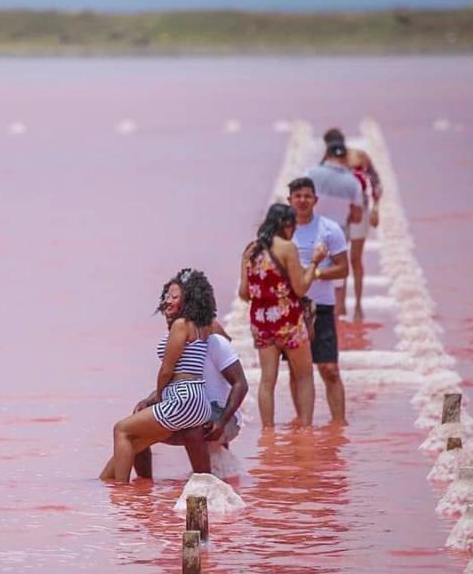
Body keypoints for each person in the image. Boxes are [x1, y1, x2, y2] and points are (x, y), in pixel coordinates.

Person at [99, 270, 216, 484]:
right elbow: (224, 342)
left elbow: (166, 370)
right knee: (135, 442)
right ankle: (106, 482)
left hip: (182, 398)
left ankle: (121, 494)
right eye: (167, 296)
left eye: (174, 297)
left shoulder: (182, 325)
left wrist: (160, 396)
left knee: (121, 430)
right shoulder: (205, 326)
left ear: (188, 299)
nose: (167, 300)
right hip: (199, 401)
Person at [239, 203, 326, 427]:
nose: (295, 229)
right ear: (285, 224)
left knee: (267, 381)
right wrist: (315, 263)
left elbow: (244, 293)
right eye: (293, 224)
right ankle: (306, 430)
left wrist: (265, 295)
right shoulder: (287, 248)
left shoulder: (250, 250)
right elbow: (300, 288)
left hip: (261, 322)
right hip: (288, 321)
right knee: (305, 376)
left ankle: (268, 433)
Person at [132, 327, 249, 479]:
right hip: (192, 409)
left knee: (193, 426)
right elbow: (173, 385)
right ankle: (143, 490)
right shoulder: (176, 346)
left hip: (223, 417)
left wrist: (221, 422)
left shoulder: (215, 343)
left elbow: (241, 384)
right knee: (136, 425)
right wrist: (149, 400)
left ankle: (204, 485)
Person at [286, 178, 350, 424]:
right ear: (290, 200)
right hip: (291, 309)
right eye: (297, 196)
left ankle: (339, 424)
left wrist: (314, 273)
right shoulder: (284, 232)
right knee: (297, 370)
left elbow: (343, 269)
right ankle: (304, 423)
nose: (302, 200)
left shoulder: (330, 229)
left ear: (315, 200)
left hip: (322, 305)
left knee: (329, 368)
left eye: (307, 196)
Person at [322, 128, 384, 320]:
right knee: (343, 260)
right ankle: (342, 306)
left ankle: (356, 304)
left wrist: (375, 209)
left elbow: (375, 183)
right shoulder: (327, 160)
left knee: (353, 260)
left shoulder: (360, 157)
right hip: (339, 215)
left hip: (357, 213)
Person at [306, 139, 363, 316]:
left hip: (312, 232)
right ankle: (337, 322)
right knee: (338, 282)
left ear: (327, 155)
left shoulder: (311, 173)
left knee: (309, 281)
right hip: (338, 235)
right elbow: (357, 216)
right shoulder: (352, 182)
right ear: (344, 157)